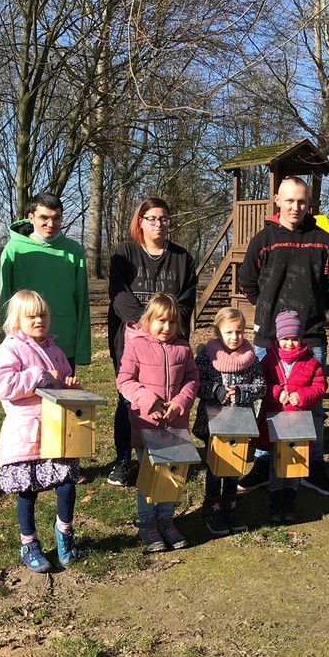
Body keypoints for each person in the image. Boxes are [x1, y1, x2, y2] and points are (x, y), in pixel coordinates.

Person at [238, 176, 329, 497]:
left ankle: (314, 465)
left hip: (310, 338)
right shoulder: (263, 239)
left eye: (301, 201)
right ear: (276, 200)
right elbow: (248, 281)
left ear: (308, 203)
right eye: (289, 200)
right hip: (268, 337)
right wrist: (268, 309)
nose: (295, 207)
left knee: (311, 403)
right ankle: (262, 461)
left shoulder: (323, 241)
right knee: (269, 399)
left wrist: (312, 310)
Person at [0, 290, 82, 573]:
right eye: (31, 316)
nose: (39, 320)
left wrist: (71, 386)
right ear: (15, 320)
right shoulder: (10, 348)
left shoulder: (55, 350)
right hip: (25, 435)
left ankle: (64, 531)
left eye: (43, 314)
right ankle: (29, 542)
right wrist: (40, 376)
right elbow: (3, 385)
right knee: (27, 491)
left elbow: (61, 383)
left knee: (66, 484)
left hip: (56, 433)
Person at [107, 197, 197, 487]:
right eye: (152, 218)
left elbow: (186, 301)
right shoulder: (125, 253)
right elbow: (119, 296)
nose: (159, 224)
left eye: (164, 219)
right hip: (132, 340)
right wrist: (146, 327)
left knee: (168, 396)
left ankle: (165, 452)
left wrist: (167, 326)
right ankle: (124, 459)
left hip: (171, 343)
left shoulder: (182, 259)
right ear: (140, 221)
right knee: (130, 399)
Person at [116, 292, 200, 552]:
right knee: (150, 476)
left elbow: (192, 378)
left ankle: (166, 519)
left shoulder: (183, 348)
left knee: (171, 475)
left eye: (172, 322)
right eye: (160, 321)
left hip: (175, 424)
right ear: (147, 320)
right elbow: (125, 380)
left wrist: (181, 402)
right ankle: (147, 524)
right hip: (146, 425)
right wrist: (147, 400)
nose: (166, 327)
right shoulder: (136, 345)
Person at [193, 307, 266, 536]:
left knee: (234, 467)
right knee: (215, 469)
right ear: (218, 332)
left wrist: (243, 391)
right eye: (229, 332)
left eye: (239, 331)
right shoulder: (207, 356)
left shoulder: (250, 358)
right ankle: (213, 510)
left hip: (239, 424)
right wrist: (216, 390)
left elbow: (261, 386)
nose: (235, 337)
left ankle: (231, 508)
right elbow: (196, 382)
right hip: (214, 424)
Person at [0, 191, 90, 371]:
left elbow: (82, 301)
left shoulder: (74, 251)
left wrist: (82, 349)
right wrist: (5, 343)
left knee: (63, 397)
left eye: (56, 218)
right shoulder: (14, 250)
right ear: (31, 218)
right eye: (44, 218)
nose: (51, 224)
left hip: (64, 344)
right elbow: (5, 302)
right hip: (24, 345)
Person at [255, 310, 327, 523]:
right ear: (278, 338)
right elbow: (261, 384)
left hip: (298, 422)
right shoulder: (270, 360)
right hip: (276, 420)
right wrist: (276, 392)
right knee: (277, 463)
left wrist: (303, 396)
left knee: (294, 463)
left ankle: (290, 501)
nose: (290, 343)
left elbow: (320, 386)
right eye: (285, 339)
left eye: (294, 339)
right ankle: (275, 501)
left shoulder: (311, 362)